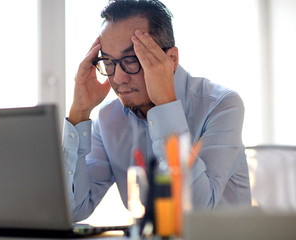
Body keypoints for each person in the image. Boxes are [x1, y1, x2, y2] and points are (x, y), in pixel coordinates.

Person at [63, 0, 251, 222]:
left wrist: (165, 106)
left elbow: (195, 213)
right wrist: (79, 113)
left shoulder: (221, 105)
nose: (118, 78)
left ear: (171, 59)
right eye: (108, 62)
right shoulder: (108, 118)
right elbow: (73, 210)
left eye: (132, 59)